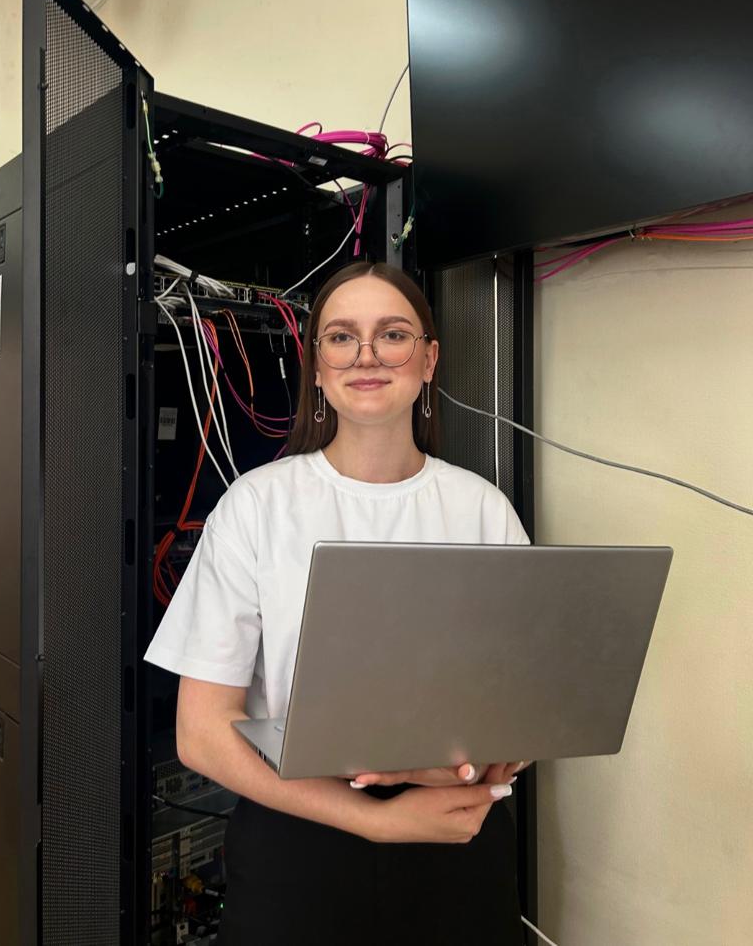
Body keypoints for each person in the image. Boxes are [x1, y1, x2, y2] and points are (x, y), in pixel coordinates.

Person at [144, 261, 530, 944]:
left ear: (429, 360)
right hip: (298, 847)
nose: (367, 355)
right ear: (317, 368)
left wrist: (487, 761)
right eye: (342, 337)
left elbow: (524, 707)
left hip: (457, 842)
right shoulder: (256, 506)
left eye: (393, 335)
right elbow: (201, 735)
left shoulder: (482, 509)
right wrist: (376, 819)